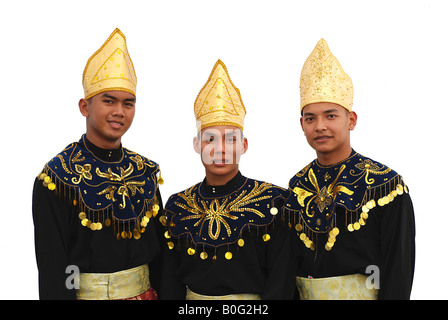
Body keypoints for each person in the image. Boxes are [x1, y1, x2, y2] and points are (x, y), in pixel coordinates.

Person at [32, 28, 164, 300]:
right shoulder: (57, 178)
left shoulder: (146, 173)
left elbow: (161, 258)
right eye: (109, 101)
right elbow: (55, 269)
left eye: (128, 103)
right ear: (85, 107)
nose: (119, 111)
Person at [283, 39, 415, 299]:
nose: (320, 126)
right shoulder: (296, 186)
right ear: (302, 124)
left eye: (330, 115)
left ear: (351, 120)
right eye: (311, 118)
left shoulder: (385, 185)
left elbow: (397, 272)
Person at [159, 60, 296, 300]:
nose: (220, 149)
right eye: (210, 139)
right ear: (196, 144)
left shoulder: (273, 202)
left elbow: (282, 282)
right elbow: (169, 283)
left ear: (244, 145)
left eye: (230, 139)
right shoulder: (177, 206)